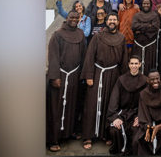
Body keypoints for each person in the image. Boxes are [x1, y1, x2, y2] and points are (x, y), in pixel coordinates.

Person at [80, 12, 128, 150]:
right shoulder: (98, 36)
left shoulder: (121, 38)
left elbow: (124, 59)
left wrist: (123, 79)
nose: (112, 21)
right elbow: (89, 56)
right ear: (106, 21)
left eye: (114, 19)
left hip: (113, 74)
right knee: (91, 104)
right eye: (110, 19)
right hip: (97, 73)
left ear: (118, 22)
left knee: (109, 104)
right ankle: (88, 136)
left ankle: (105, 134)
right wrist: (89, 76)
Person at [46, 11, 86, 152]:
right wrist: (55, 76)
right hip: (61, 76)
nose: (74, 19)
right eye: (72, 17)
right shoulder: (57, 35)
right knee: (56, 108)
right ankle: (53, 139)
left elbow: (83, 56)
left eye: (76, 17)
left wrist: (82, 75)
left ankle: (67, 133)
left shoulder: (81, 34)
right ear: (67, 18)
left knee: (71, 105)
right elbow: (53, 57)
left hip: (74, 76)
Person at [106, 55, 148, 155]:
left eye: (136, 63)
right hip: (122, 114)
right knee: (115, 130)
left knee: (136, 131)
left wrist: (140, 117)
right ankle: (121, 151)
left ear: (140, 64)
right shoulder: (121, 80)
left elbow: (147, 102)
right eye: (132, 63)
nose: (134, 66)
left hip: (137, 114)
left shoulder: (145, 80)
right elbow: (114, 99)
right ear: (128, 65)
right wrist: (115, 117)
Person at [131, 0, 160, 75]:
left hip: (150, 44)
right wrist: (148, 25)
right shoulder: (137, 15)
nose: (146, 5)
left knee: (149, 64)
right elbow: (134, 26)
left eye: (147, 3)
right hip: (138, 44)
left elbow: (155, 28)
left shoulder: (154, 15)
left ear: (150, 5)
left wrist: (140, 29)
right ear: (142, 4)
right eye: (144, 3)